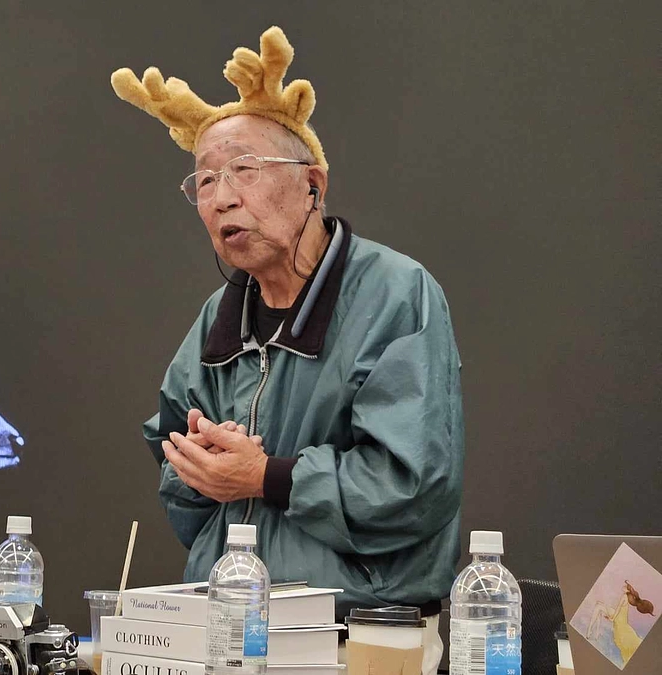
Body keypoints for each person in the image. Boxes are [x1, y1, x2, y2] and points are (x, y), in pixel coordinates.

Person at [111, 26, 464, 674]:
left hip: (363, 638)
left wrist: (266, 477)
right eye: (204, 180)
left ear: (312, 184)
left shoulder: (396, 294)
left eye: (242, 170)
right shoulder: (217, 316)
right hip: (224, 634)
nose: (221, 197)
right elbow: (172, 458)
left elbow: (413, 486)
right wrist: (202, 466)